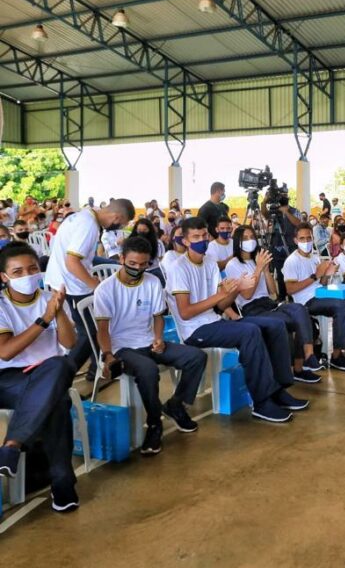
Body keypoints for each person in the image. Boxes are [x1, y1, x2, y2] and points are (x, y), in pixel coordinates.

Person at [166, 218, 307, 423]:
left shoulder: (210, 263)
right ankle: (262, 402)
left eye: (204, 236)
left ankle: (279, 388)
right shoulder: (178, 268)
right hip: (194, 330)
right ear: (185, 241)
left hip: (214, 321)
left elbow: (222, 305)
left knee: (275, 325)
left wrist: (236, 289)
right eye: (196, 237)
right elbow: (186, 312)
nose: (202, 240)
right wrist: (221, 295)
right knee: (250, 331)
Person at [93, 237, 207, 455]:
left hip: (148, 341)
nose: (137, 268)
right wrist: (108, 355)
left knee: (196, 357)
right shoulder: (105, 290)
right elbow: (103, 330)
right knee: (148, 369)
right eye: (132, 263)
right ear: (121, 258)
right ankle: (155, 424)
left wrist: (158, 338)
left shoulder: (153, 282)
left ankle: (176, 405)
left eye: (143, 264)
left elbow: (158, 317)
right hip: (121, 348)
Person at [0, 242, 79, 512]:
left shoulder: (50, 298)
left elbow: (69, 343)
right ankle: (63, 484)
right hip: (8, 379)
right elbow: (6, 352)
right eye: (18, 271)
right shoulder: (2, 305)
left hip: (49, 373)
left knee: (60, 365)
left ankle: (12, 445)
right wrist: (44, 319)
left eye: (32, 269)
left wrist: (59, 312)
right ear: (4, 277)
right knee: (58, 400)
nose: (27, 275)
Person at [46, 199, 136, 381]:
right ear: (116, 217)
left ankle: (95, 370)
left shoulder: (83, 216)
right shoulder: (89, 226)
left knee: (93, 329)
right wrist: (96, 286)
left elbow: (80, 257)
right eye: (121, 224)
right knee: (90, 333)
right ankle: (60, 377)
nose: (119, 227)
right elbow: (72, 262)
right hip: (72, 285)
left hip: (65, 280)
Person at [225, 226, 321, 380]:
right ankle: (285, 375)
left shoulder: (257, 260)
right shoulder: (233, 264)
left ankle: (308, 355)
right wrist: (258, 269)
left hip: (268, 303)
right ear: (238, 241)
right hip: (251, 308)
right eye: (245, 238)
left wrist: (265, 270)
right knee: (283, 324)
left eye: (252, 237)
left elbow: (272, 291)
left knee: (300, 311)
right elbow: (247, 295)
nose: (250, 241)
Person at [282, 224, 345, 370]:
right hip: (307, 300)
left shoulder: (314, 257)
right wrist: (315, 275)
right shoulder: (292, 261)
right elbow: (290, 290)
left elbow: (321, 283)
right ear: (295, 240)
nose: (306, 241)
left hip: (322, 293)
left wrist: (327, 275)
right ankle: (337, 355)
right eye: (302, 239)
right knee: (342, 306)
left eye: (309, 238)